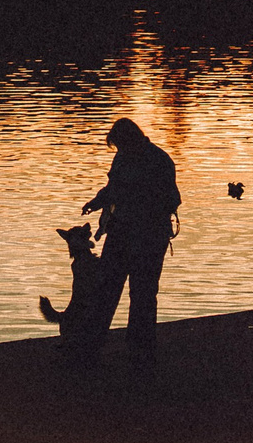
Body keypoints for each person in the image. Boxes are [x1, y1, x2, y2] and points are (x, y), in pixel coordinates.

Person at [76, 117, 180, 361]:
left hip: (148, 235)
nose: (118, 151)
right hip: (122, 231)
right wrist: (96, 202)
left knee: (141, 292)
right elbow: (112, 188)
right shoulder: (125, 157)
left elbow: (171, 199)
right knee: (107, 289)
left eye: (120, 145)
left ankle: (139, 347)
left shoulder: (159, 160)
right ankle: (93, 343)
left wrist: (140, 206)